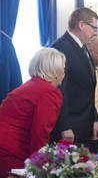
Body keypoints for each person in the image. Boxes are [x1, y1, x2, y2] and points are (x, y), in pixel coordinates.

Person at [0, 48, 66, 177]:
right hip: (11, 152)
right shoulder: (49, 92)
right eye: (63, 68)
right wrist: (39, 166)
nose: (64, 72)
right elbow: (40, 132)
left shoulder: (29, 86)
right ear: (56, 71)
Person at [50, 7, 98, 150]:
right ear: (81, 25)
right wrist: (64, 126)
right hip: (69, 129)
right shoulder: (61, 48)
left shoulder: (82, 47)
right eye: (94, 28)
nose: (96, 33)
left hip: (85, 126)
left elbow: (87, 89)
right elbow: (59, 91)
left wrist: (94, 119)